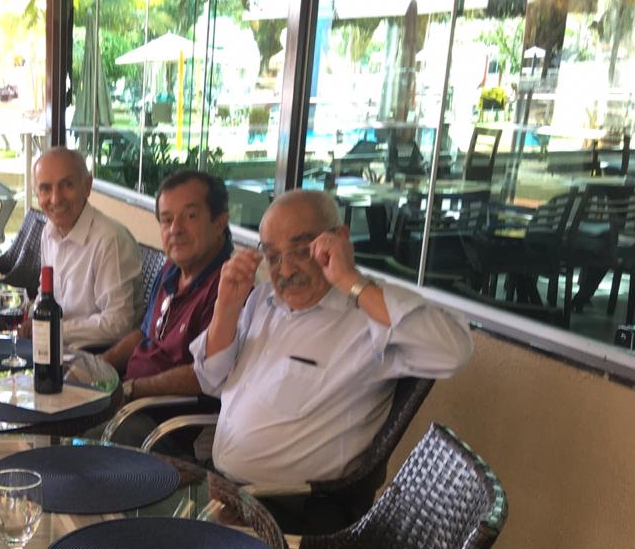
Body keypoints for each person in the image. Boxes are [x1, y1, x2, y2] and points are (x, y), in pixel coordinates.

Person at [192, 189, 473, 527]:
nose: (285, 270)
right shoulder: (263, 301)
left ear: (339, 238)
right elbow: (210, 379)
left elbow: (453, 352)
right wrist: (225, 307)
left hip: (293, 509)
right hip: (225, 491)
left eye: (302, 250)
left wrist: (350, 281)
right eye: (273, 256)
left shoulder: (367, 315)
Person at [102, 169, 233, 402]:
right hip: (129, 394)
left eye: (190, 216)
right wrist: (98, 366)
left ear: (220, 222)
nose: (175, 229)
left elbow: (202, 376)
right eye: (167, 219)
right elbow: (144, 334)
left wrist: (131, 390)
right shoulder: (170, 270)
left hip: (159, 414)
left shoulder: (229, 288)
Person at [32, 147, 143, 348]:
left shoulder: (110, 240)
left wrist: (53, 328)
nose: (56, 199)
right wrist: (34, 316)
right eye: (45, 188)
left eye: (67, 185)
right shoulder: (49, 231)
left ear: (87, 186)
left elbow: (118, 323)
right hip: (56, 348)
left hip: (100, 356)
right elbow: (45, 292)